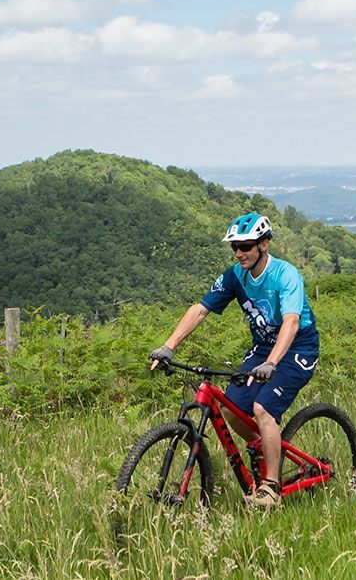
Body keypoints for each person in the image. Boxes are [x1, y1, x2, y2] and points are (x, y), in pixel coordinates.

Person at [149, 212, 319, 507]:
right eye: (235, 247)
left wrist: (272, 363)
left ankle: (270, 487)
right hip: (263, 347)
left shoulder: (285, 274)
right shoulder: (235, 276)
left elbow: (291, 322)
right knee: (230, 407)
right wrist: (169, 346)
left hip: (297, 348)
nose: (239, 253)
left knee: (262, 409)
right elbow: (200, 309)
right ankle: (267, 449)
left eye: (246, 246)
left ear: (264, 244)